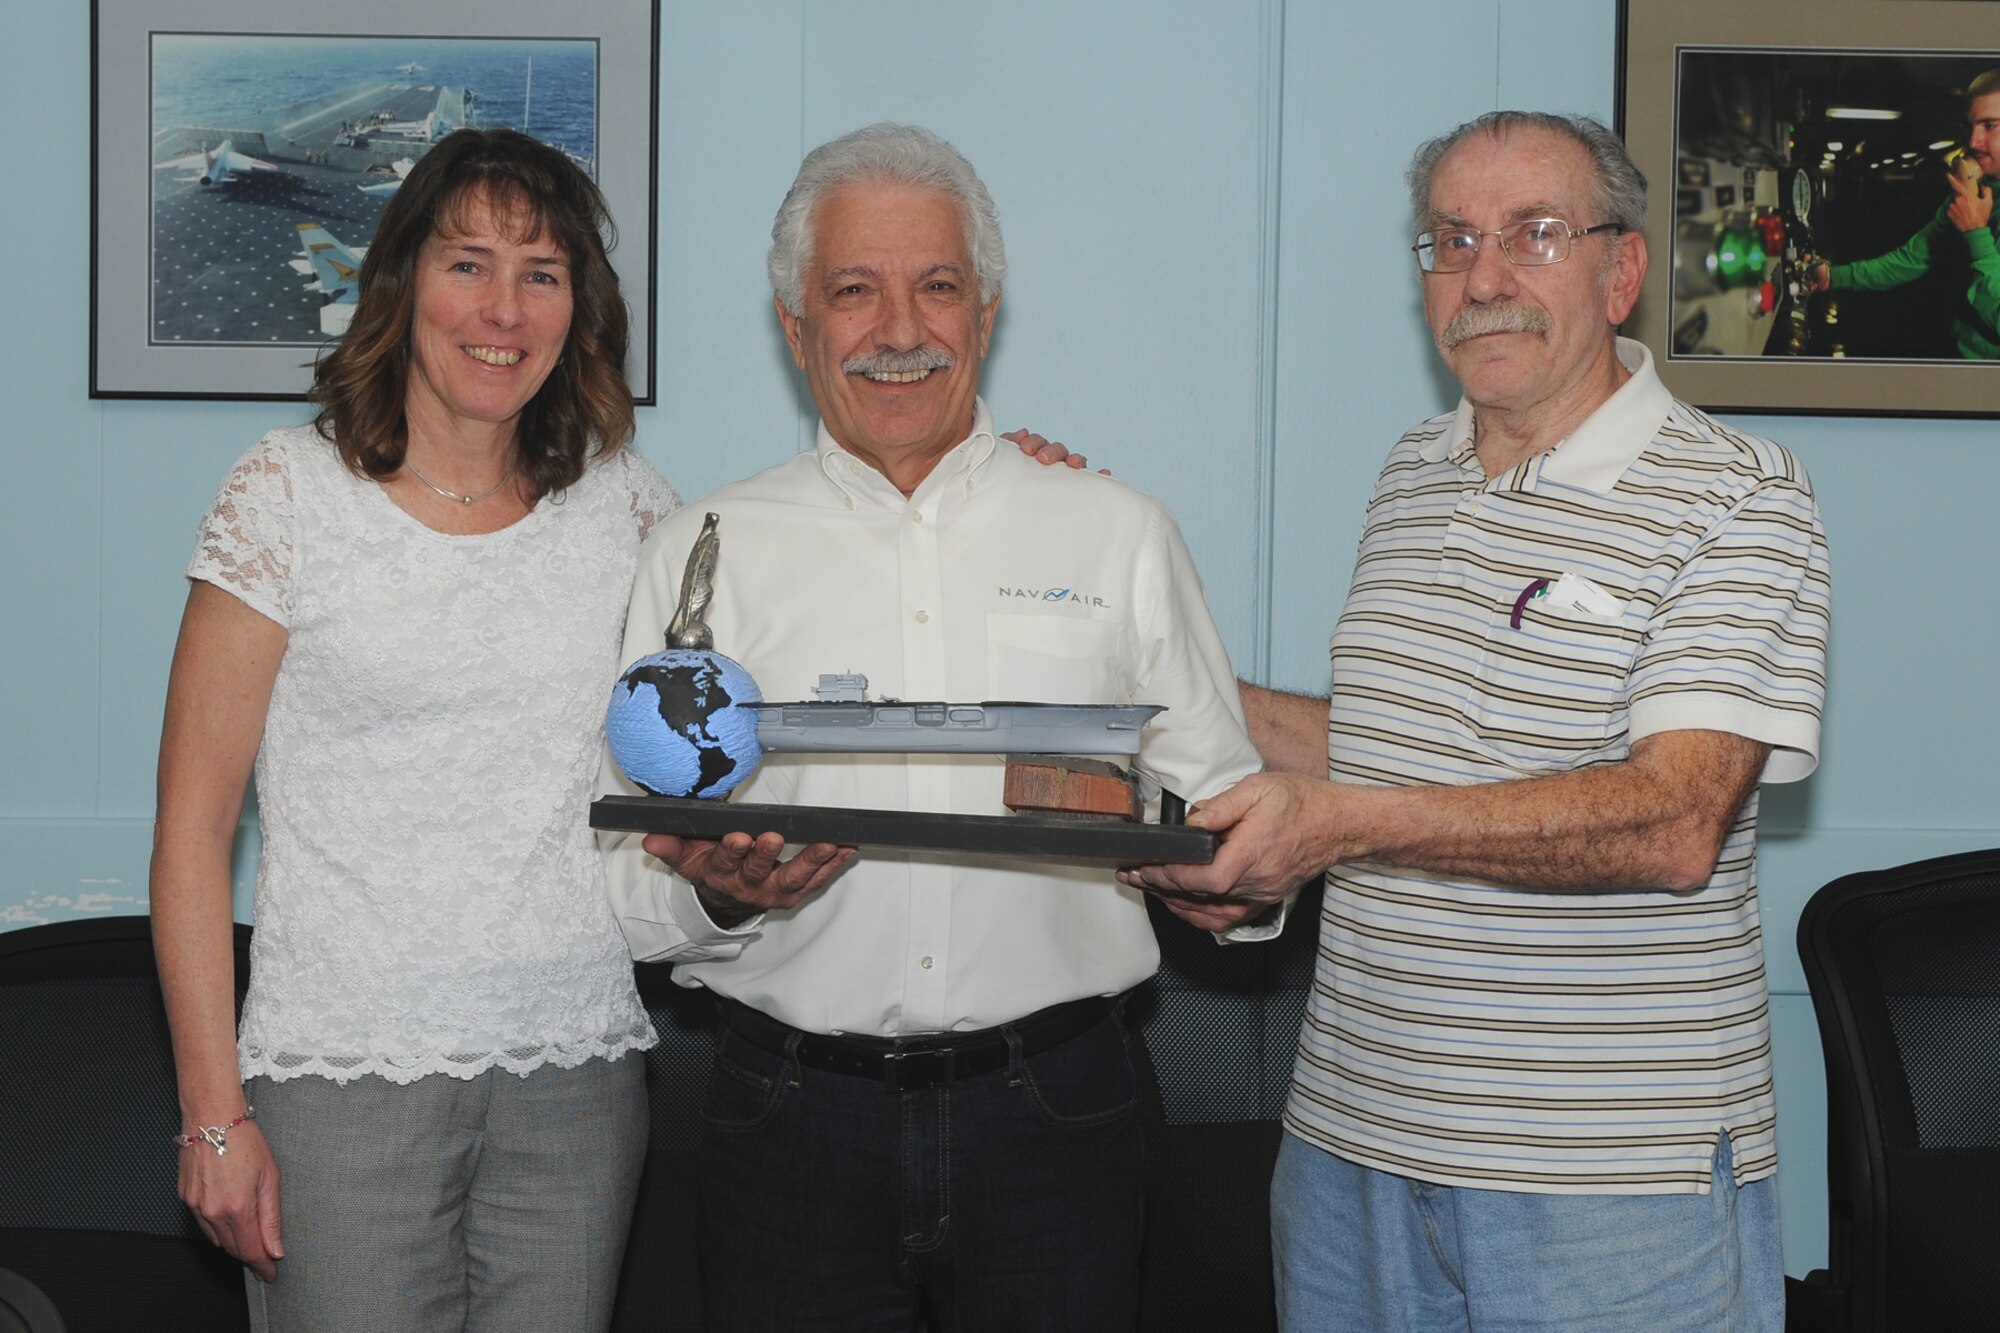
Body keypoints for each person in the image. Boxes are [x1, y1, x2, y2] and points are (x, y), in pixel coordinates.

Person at [1121, 111, 1831, 1331]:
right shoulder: (1412, 468)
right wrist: (1153, 695)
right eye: (1449, 240)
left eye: (1531, 235)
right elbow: (1394, 751)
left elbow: (1671, 821)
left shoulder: (1737, 494)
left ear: (1621, 273)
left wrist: (1334, 827)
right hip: (1349, 1149)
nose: (1484, 277)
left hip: (1606, 1185)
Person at [601, 122, 1272, 1331]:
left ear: (987, 310)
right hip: (783, 1124)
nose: (899, 329)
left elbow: (1221, 808)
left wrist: (1234, 888)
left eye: (937, 286)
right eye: (853, 289)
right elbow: (623, 886)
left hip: (1057, 1117)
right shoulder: (699, 552)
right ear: (794, 322)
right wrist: (716, 895)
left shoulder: (1114, 532)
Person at [149, 127, 676, 1332]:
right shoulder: (284, 493)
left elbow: (772, 630)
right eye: (468, 264)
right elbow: (191, 832)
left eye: (541, 273)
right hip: (341, 1078)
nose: (503, 308)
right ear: (401, 282)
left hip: (577, 1074)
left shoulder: (629, 504)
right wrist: (212, 1113)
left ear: (576, 308)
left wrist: (979, 477)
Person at [1803, 69, 1999, 359]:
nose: (1973, 141)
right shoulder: (1976, 193)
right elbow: (1912, 257)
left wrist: (1977, 236)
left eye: (1990, 126)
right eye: (1970, 126)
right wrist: (1834, 277)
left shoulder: (1974, 212)